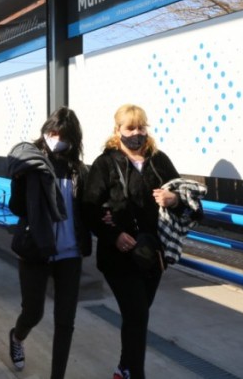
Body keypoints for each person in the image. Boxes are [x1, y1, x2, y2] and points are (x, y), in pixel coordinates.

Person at [82, 104, 183, 379]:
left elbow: (186, 196)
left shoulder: (159, 160)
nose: (136, 133)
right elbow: (89, 208)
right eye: (130, 128)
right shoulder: (105, 164)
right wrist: (113, 236)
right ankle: (134, 374)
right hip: (118, 257)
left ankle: (123, 369)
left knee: (136, 318)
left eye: (141, 127)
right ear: (118, 131)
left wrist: (174, 199)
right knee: (138, 315)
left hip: (152, 254)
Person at [5, 107, 90, 378]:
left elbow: (86, 209)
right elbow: (17, 208)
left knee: (65, 322)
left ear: (72, 138)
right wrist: (19, 182)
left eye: (63, 134)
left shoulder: (78, 170)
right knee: (33, 312)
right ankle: (17, 338)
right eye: (52, 132)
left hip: (69, 252)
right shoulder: (31, 165)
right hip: (36, 250)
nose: (56, 138)